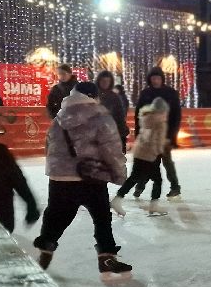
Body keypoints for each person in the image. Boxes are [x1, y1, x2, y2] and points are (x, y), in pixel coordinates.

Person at [35, 80, 130, 276]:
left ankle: (46, 247)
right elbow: (111, 148)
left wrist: (57, 171)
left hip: (60, 178)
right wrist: (120, 174)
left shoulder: (59, 117)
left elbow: (49, 146)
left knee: (57, 214)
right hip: (91, 178)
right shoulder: (100, 116)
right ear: (94, 96)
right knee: (102, 218)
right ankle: (106, 257)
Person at [114, 97, 170, 216]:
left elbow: (146, 136)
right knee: (157, 180)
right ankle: (153, 205)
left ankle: (117, 199)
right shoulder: (159, 122)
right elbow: (154, 139)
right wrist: (157, 151)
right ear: (161, 111)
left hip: (140, 152)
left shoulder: (147, 117)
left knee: (134, 178)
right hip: (149, 155)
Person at [135, 67, 182, 199]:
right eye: (153, 78)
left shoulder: (170, 93)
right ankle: (140, 186)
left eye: (158, 78)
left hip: (164, 134)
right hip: (148, 135)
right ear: (150, 79)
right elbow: (139, 114)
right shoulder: (145, 93)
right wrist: (139, 133)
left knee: (167, 161)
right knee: (147, 161)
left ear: (162, 79)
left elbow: (176, 116)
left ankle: (175, 187)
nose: (155, 80)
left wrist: (171, 136)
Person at [96, 70, 129, 151]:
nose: (105, 83)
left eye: (107, 81)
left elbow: (120, 116)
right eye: (103, 81)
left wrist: (122, 133)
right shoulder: (93, 95)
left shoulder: (115, 97)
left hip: (111, 132)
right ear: (99, 81)